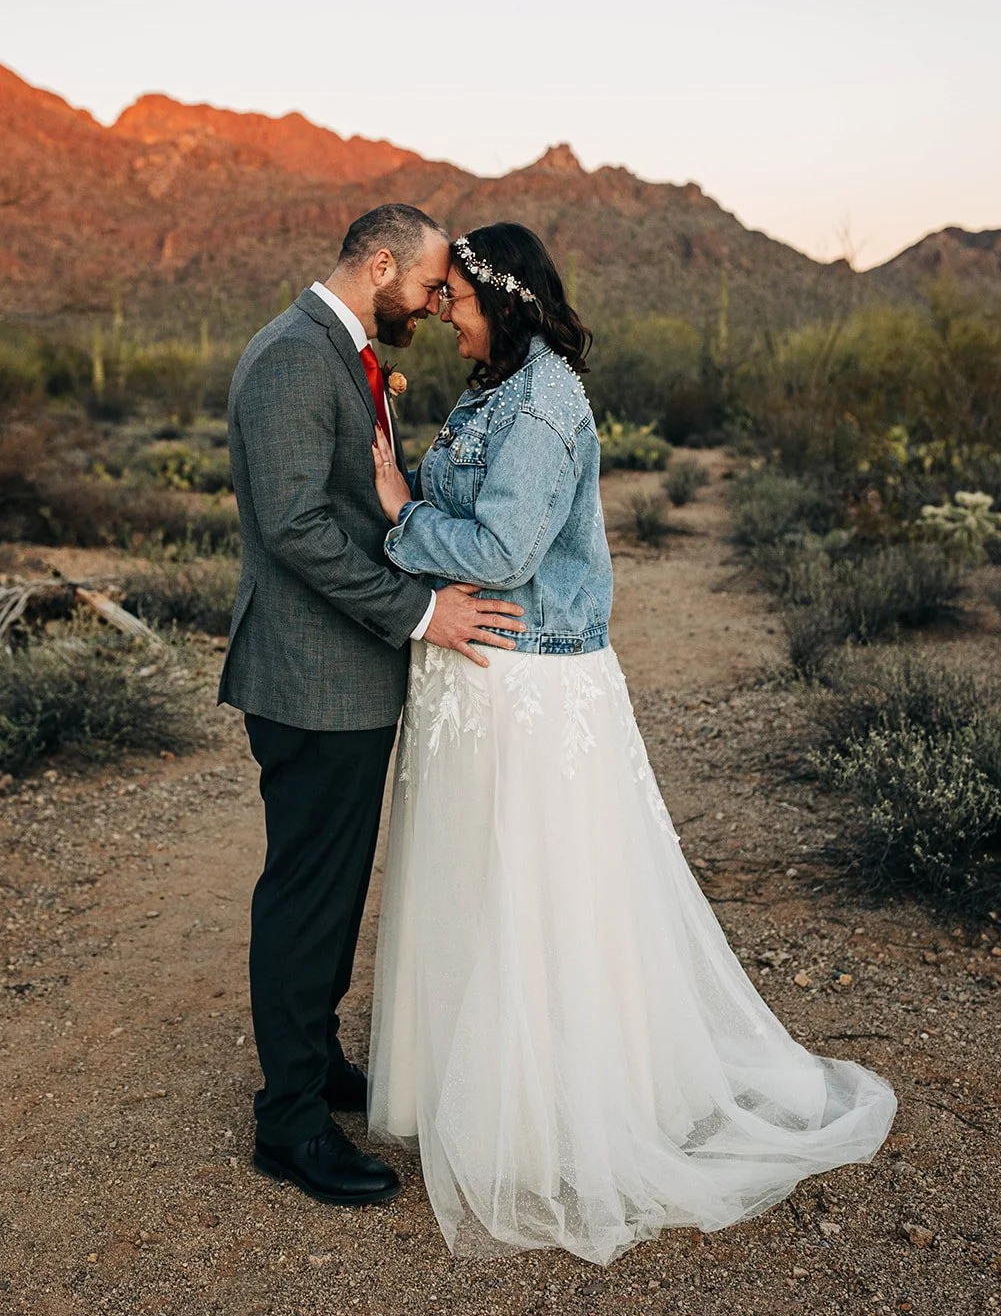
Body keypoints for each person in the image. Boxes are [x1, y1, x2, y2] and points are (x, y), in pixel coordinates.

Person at [367, 222, 897, 1265]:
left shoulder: (545, 402)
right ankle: (471, 1084)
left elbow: (508, 550)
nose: (441, 313)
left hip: (529, 682)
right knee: (476, 885)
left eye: (456, 301)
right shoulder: (487, 388)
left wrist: (394, 508)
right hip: (478, 682)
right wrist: (419, 501)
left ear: (504, 302)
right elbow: (468, 512)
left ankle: (549, 1105)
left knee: (539, 894)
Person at [219, 204, 525, 1209]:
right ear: (380, 264)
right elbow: (298, 526)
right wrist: (420, 611)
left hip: (346, 675)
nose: (437, 303)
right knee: (308, 891)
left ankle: (316, 1062)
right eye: (431, 284)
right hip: (309, 680)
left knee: (335, 885)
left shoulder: (343, 354)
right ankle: (289, 1119)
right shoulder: (292, 359)